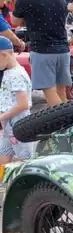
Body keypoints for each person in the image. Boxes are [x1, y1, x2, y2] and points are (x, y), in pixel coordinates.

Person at [12, 0, 71, 106]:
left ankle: (64, 123)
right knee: (61, 92)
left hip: (42, 51)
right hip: (63, 50)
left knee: (50, 94)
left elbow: (15, 22)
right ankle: (69, 121)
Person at [0, 34, 33, 163]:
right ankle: (3, 180)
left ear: (3, 55)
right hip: (8, 122)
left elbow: (23, 104)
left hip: (19, 122)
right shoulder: (8, 71)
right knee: (3, 152)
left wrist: (2, 117)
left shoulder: (16, 74)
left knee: (23, 156)